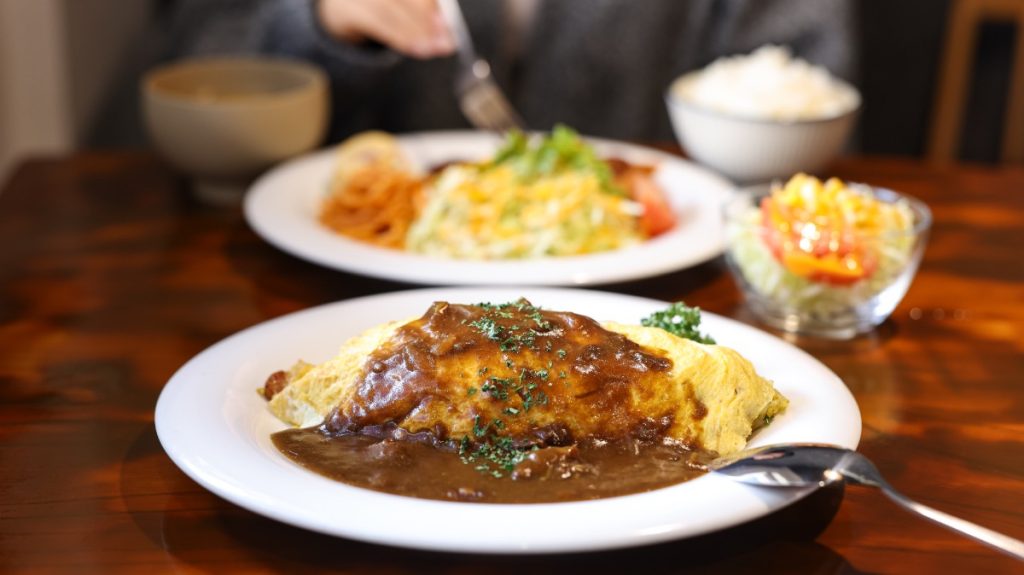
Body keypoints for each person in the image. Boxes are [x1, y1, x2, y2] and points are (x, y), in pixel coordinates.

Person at [165, 0, 857, 142]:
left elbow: (802, 71)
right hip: (331, 278)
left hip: (670, 278)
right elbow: (198, 55)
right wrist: (321, 20)